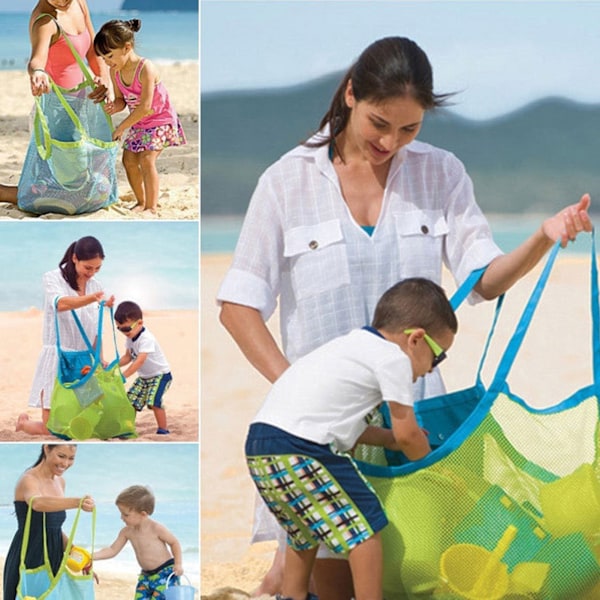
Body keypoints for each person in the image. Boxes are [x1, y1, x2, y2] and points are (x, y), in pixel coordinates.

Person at [216, 36, 593, 599]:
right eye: (379, 123)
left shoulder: (441, 174)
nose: (391, 142)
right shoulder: (284, 182)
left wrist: (542, 235)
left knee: (415, 581)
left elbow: (482, 279)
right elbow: (238, 306)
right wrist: (298, 389)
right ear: (350, 95)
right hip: (323, 438)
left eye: (409, 129)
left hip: (412, 419)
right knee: (338, 587)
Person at [246, 278, 456, 600]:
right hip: (303, 449)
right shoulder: (394, 358)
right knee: (366, 528)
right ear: (416, 339)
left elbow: (343, 426)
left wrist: (387, 439)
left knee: (303, 533)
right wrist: (432, 468)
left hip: (261, 446)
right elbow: (409, 434)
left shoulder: (350, 346)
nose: (431, 370)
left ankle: (293, 595)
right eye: (438, 356)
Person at [0, 0, 110, 205]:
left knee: (87, 186)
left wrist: (103, 76)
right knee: (62, 191)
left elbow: (93, 49)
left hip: (82, 104)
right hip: (57, 112)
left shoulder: (79, 3)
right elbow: (36, 61)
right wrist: (38, 73)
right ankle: (6, 193)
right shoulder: (45, 21)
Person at [16, 236, 115, 436]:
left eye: (97, 268)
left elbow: (96, 328)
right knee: (52, 428)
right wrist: (91, 299)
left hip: (84, 360)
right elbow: (60, 304)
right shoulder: (53, 278)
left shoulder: (95, 285)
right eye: (88, 268)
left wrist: (100, 357)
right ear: (75, 258)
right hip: (58, 357)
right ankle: (24, 424)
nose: (92, 273)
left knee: (90, 420)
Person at [93, 19, 187, 214]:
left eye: (110, 56)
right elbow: (122, 100)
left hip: (160, 119)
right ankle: (140, 201)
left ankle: (151, 207)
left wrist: (121, 127)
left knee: (146, 159)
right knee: (128, 160)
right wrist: (114, 107)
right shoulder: (115, 72)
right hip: (140, 123)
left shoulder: (146, 68)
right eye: (104, 58)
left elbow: (145, 107)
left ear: (127, 47)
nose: (108, 62)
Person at [3, 444, 96, 600]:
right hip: (28, 555)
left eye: (71, 458)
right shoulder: (29, 479)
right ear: (47, 449)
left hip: (54, 556)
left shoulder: (60, 482)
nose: (65, 464)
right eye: (61, 456)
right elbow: (37, 503)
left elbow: (54, 529)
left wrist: (80, 558)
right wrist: (77, 502)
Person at [92, 484, 183, 600]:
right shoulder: (127, 532)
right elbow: (112, 550)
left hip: (164, 573)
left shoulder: (156, 528)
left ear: (143, 514)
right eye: (121, 513)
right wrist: (92, 556)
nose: (122, 518)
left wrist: (178, 564)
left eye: (126, 515)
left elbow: (174, 542)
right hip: (145, 576)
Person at [115, 300, 173, 435]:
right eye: (120, 328)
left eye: (126, 328)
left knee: (154, 402)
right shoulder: (130, 338)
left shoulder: (146, 339)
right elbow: (127, 358)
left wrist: (124, 376)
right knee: (130, 401)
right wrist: (113, 366)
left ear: (139, 323)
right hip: (144, 378)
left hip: (161, 375)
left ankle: (163, 429)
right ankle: (128, 428)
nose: (124, 332)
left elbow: (139, 361)